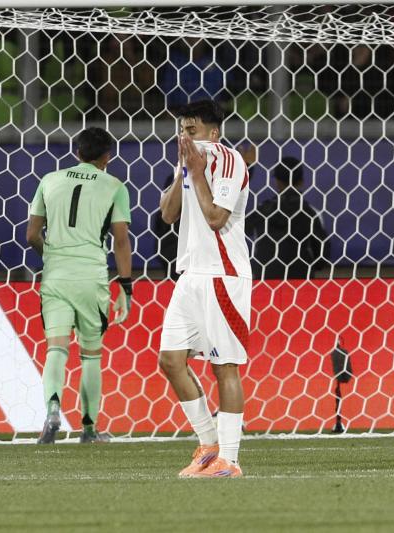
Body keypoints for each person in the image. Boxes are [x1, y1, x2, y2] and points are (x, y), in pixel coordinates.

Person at [158, 100, 250, 478]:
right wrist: (185, 171)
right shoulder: (187, 163)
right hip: (191, 275)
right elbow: (167, 214)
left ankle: (230, 460)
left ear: (214, 133)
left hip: (223, 274)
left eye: (192, 131)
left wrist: (196, 172)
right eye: (182, 130)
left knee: (223, 367)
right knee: (170, 360)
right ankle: (209, 446)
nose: (185, 137)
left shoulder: (229, 161)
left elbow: (216, 218)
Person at [26, 127, 133, 444]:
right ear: (106, 158)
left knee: (56, 349)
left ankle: (52, 409)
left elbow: (32, 234)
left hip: (56, 276)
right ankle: (89, 429)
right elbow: (121, 239)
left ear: (76, 153)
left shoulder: (49, 180)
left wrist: (55, 257)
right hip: (92, 278)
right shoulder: (115, 186)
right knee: (90, 356)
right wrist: (125, 286)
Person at [246, 157, 330, 279]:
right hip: (301, 282)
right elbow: (322, 255)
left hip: (265, 281)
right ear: (301, 181)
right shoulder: (311, 213)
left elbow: (241, 231)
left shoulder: (262, 210)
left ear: (277, 182)